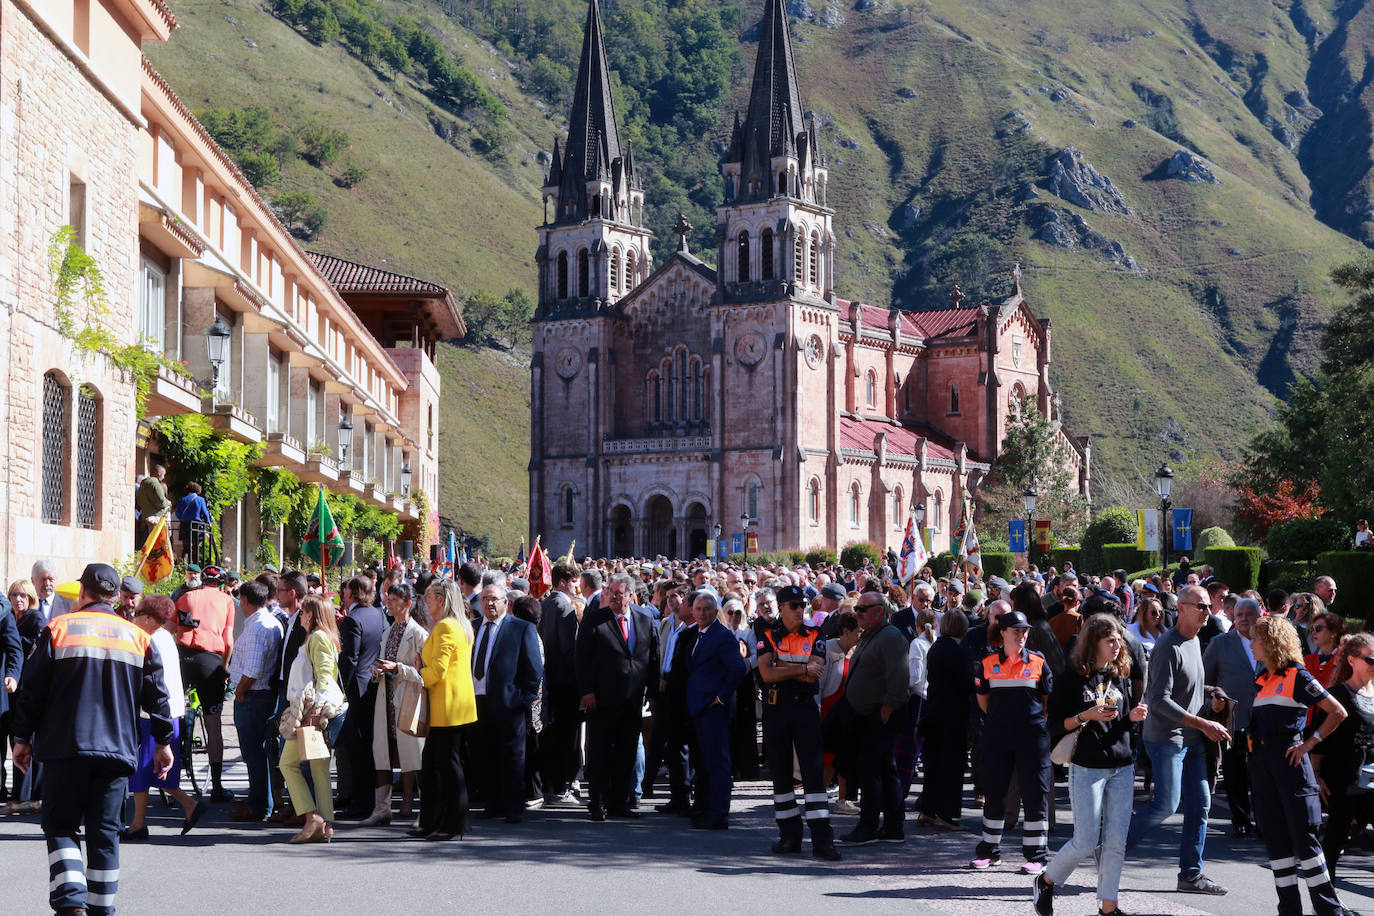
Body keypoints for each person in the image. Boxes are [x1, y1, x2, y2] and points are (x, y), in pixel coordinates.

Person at [10, 563, 174, 915]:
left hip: (65, 748)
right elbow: (158, 699)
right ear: (116, 597)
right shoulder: (137, 637)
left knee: (61, 826)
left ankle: (71, 903)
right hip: (116, 754)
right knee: (104, 835)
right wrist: (163, 742)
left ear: (82, 592)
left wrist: (21, 738)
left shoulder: (59, 628)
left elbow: (31, 690)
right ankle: (100, 909)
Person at [1034, 614, 1149, 916]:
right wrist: (1087, 715)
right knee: (1086, 840)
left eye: (1118, 640)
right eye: (1110, 640)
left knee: (1115, 843)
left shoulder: (1120, 674)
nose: (1117, 645)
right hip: (1087, 766)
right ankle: (1046, 881)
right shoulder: (1072, 677)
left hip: (1122, 765)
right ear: (1093, 642)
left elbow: (1120, 719)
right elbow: (1055, 724)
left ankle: (1108, 907)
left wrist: (1132, 717)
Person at [1125, 584, 1232, 895]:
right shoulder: (1168, 647)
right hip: (1166, 739)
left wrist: (1213, 698)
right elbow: (1158, 700)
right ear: (1181, 608)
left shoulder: (1196, 641)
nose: (1207, 612)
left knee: (1201, 803)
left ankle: (1190, 875)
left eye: (1208, 608)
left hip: (1194, 738)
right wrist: (1202, 721)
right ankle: (1110, 850)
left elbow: (1192, 689)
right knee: (1166, 804)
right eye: (1200, 607)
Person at [1246, 615, 1353, 916]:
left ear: (1270, 643)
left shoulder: (1298, 675)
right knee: (1276, 841)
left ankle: (1329, 910)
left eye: (1256, 638)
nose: (1252, 644)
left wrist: (1310, 742)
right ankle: (1289, 910)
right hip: (1264, 766)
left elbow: (1337, 711)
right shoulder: (1263, 679)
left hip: (1291, 765)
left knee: (1305, 840)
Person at [756, 584, 841, 860]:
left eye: (802, 605)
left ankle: (822, 840)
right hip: (776, 709)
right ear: (781, 609)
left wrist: (786, 668)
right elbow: (767, 674)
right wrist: (801, 668)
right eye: (793, 606)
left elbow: (814, 674)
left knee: (813, 775)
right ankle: (789, 836)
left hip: (804, 709)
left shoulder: (816, 634)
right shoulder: (767, 633)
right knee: (780, 774)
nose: (799, 610)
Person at [968, 610, 1052, 873]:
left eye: (1025, 630)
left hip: (1032, 736)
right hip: (998, 735)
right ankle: (989, 851)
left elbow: (1047, 701)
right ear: (1002, 631)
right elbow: (983, 700)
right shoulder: (987, 663)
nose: (1022, 635)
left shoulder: (1038, 661)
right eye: (1016, 630)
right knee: (994, 792)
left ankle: (1037, 856)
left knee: (1034, 793)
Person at [575, 572, 658, 821]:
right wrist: (586, 691)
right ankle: (597, 802)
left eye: (618, 594)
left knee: (627, 752)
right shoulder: (595, 620)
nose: (612, 597)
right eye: (610, 593)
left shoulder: (645, 619)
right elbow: (582, 659)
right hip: (601, 698)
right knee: (600, 751)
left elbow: (652, 657)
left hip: (632, 699)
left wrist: (652, 692)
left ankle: (619, 802)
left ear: (630, 596)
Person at [122, 595, 204, 840]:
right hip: (171, 712)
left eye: (137, 614)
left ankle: (138, 824)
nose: (133, 618)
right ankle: (189, 805)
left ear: (147, 618)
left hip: (153, 713)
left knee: (143, 769)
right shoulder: (165, 638)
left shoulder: (147, 640)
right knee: (157, 770)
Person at [468, 578, 544, 823]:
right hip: (477, 701)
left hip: (509, 703)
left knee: (512, 757)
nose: (489, 603)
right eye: (485, 599)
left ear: (505, 602)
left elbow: (534, 669)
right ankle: (493, 803)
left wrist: (524, 700)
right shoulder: (473, 626)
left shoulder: (521, 628)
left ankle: (513, 807)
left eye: (494, 599)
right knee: (484, 754)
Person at [840, 592, 910, 846]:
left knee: (872, 772)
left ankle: (868, 826)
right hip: (867, 714)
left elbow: (900, 677)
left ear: (879, 611)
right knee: (883, 770)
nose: (857, 612)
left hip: (880, 715)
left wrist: (887, 710)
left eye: (863, 609)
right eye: (856, 608)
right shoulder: (872, 634)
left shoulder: (890, 637)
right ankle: (893, 827)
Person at [278, 595, 346, 844]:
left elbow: (325, 675)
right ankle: (325, 824)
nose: (301, 616)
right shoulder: (318, 637)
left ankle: (311, 818)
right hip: (312, 710)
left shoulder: (317, 638)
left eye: (305, 612)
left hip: (309, 712)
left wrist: (315, 712)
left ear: (312, 615)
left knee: (287, 764)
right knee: (319, 770)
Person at [412, 581, 477, 840]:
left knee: (444, 768)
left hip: (447, 707)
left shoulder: (446, 627)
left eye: (429, 599)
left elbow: (437, 672)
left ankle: (451, 823)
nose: (426, 604)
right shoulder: (456, 625)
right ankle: (435, 821)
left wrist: (418, 670)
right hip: (453, 705)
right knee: (436, 767)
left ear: (441, 600)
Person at [364, 583, 429, 826]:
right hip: (387, 701)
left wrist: (398, 668)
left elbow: (425, 674)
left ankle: (426, 811)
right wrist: (378, 671)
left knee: (416, 757)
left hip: (408, 702)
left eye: (393, 600)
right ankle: (382, 809)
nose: (388, 604)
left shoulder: (420, 634)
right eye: (387, 599)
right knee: (382, 755)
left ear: (407, 604)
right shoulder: (388, 631)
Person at [1311, 632, 1374, 880]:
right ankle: (1326, 896)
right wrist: (1316, 775)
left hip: (1371, 778)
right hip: (1343, 777)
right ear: (1351, 660)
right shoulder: (1338, 695)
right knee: (1336, 837)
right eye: (1370, 660)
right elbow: (1318, 737)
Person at [685, 589, 747, 830]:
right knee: (706, 763)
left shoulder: (721, 635)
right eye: (698, 609)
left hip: (714, 710)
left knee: (718, 763)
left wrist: (720, 698)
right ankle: (707, 809)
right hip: (699, 708)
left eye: (706, 610)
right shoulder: (698, 634)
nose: (701, 614)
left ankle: (719, 814)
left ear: (714, 611)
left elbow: (737, 669)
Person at [174, 564, 236, 801]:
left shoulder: (186, 596)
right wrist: (224, 666)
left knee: (176, 711)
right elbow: (228, 641)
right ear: (221, 584)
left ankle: (171, 774)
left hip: (183, 657)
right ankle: (218, 787)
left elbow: (173, 629)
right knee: (213, 725)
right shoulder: (226, 601)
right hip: (210, 661)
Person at [1202, 596, 1262, 839]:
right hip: (1232, 719)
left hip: (1263, 719)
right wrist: (1215, 700)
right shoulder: (1220, 643)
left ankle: (1265, 821)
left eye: (1249, 614)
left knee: (1261, 774)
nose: (1244, 619)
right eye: (1239, 615)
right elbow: (1205, 681)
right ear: (1232, 617)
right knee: (1235, 773)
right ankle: (1241, 820)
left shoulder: (1268, 642)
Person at [226, 581, 284, 823]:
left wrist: (240, 691)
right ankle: (260, 801)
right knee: (260, 753)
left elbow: (252, 670)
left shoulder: (258, 627)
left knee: (254, 754)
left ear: (246, 601)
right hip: (262, 695)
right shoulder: (270, 622)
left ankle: (259, 805)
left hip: (253, 696)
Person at [917, 608, 972, 831]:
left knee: (933, 765)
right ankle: (944, 814)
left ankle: (928, 810)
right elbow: (966, 683)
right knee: (950, 765)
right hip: (952, 715)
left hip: (934, 711)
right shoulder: (958, 652)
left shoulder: (936, 648)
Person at [337, 576, 386, 819]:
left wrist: (340, 688)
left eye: (345, 590)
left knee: (357, 749)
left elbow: (350, 659)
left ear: (353, 593)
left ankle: (360, 802)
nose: (342, 593)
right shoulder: (377, 614)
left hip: (356, 689)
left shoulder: (353, 619)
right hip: (371, 686)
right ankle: (363, 800)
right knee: (365, 746)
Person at [537, 562, 581, 806]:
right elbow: (569, 648)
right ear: (563, 581)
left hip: (551, 679)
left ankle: (551, 785)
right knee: (565, 737)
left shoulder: (546, 603)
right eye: (574, 582)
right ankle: (560, 786)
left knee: (553, 736)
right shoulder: (564, 606)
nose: (577, 587)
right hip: (564, 681)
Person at [1305, 610, 1346, 687]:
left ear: (1334, 632)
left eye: (1318, 628)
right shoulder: (1307, 660)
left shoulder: (1344, 659)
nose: (1313, 633)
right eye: (1312, 629)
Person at [174, 482, 213, 563]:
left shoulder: (182, 499)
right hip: (196, 525)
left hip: (184, 525)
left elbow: (177, 513)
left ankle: (182, 565)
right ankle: (194, 565)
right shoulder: (200, 500)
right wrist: (208, 522)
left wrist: (183, 518)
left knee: (185, 546)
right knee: (195, 547)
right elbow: (205, 513)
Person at [135, 463, 172, 543]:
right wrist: (168, 503)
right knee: (155, 545)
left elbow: (139, 501)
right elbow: (161, 501)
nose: (164, 477)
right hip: (155, 519)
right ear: (159, 473)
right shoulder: (155, 483)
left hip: (144, 517)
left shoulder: (143, 483)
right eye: (163, 474)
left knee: (145, 544)